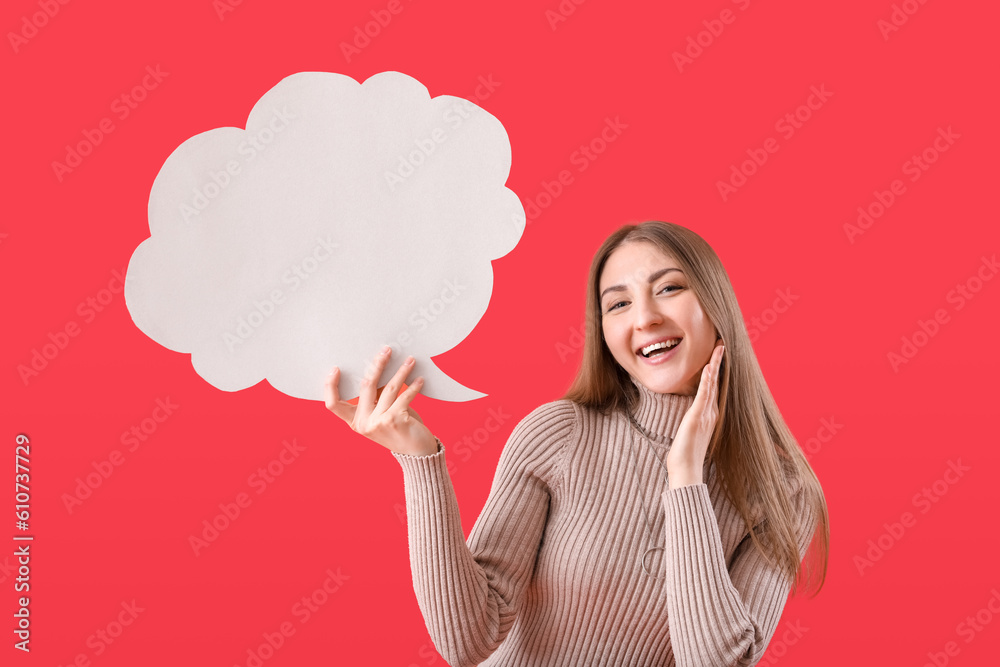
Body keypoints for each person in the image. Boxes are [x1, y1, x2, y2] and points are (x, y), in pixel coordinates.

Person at [324, 220, 830, 666]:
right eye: (619, 304)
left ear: (716, 305)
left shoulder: (785, 491)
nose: (645, 317)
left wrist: (686, 479)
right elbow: (467, 639)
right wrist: (419, 461)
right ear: (605, 332)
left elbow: (715, 662)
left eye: (670, 288)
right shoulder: (559, 433)